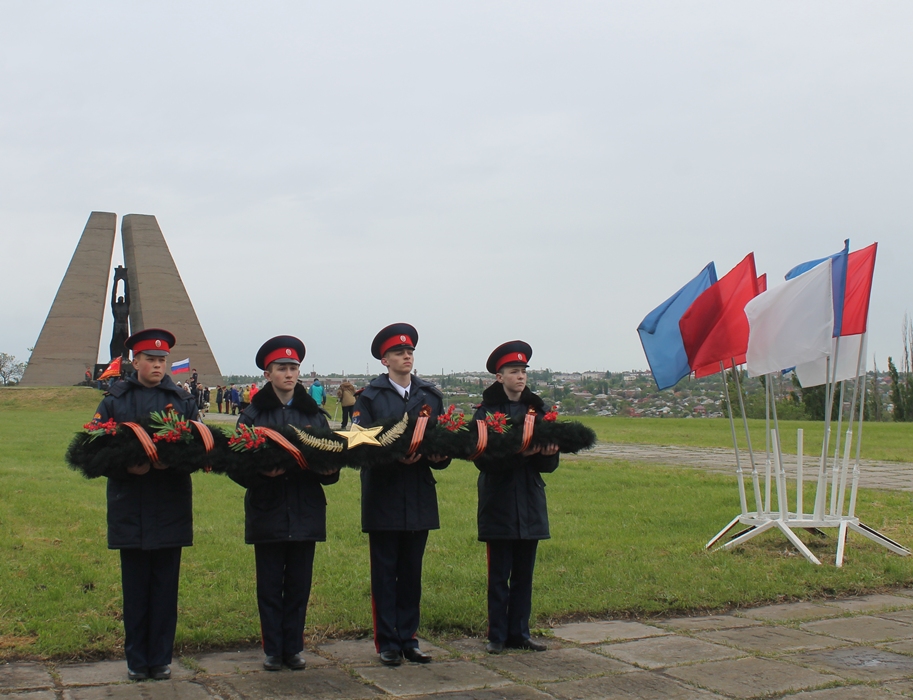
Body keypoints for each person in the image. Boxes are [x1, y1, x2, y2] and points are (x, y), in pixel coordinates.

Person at [89, 328, 199, 681]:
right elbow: (92, 451)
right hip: (130, 506)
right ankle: (137, 661)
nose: (156, 364)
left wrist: (175, 461)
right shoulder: (114, 401)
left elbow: (203, 447)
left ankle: (161, 659)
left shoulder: (182, 401)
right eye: (150, 359)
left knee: (166, 590)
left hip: (170, 506)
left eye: (161, 359)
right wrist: (125, 465)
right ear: (134, 362)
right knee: (135, 592)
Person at [230, 336, 339, 671]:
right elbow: (235, 463)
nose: (289, 374)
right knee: (269, 585)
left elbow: (330, 462)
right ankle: (272, 649)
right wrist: (262, 472)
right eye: (282, 368)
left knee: (298, 585)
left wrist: (329, 468)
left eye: (293, 368)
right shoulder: (252, 415)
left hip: (305, 509)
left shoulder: (315, 416)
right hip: (268, 508)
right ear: (268, 373)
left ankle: (294, 648)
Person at [353, 323, 450, 666]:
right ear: (385, 360)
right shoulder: (370, 397)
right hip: (384, 494)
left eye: (409, 352)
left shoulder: (430, 396)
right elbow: (359, 444)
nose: (406, 356)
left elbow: (443, 445)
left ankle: (409, 637)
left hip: (418, 494)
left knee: (411, 572)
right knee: (385, 572)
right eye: (398, 352)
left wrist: (440, 457)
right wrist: (395, 455)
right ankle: (387, 642)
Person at [473, 341, 559, 655]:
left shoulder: (538, 411)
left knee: (524, 574)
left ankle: (520, 633)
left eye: (523, 371)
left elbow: (549, 466)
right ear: (499, 377)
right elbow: (482, 458)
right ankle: (496, 635)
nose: (520, 377)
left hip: (530, 499)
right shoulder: (486, 412)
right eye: (513, 371)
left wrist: (547, 454)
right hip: (499, 499)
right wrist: (521, 452)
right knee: (499, 575)